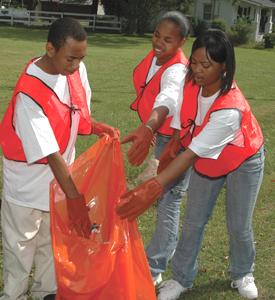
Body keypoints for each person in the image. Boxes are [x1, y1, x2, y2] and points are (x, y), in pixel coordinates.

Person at [116, 29, 264, 300]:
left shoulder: (230, 109)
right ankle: (181, 278)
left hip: (242, 160)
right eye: (194, 62)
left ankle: (243, 272)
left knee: (239, 225)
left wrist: (153, 187)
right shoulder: (190, 80)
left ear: (224, 67)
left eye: (205, 65)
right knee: (194, 221)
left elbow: (190, 156)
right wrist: (174, 138)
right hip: (207, 161)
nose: (196, 70)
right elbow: (182, 110)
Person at [0, 17, 120, 300]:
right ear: (50, 49)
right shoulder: (30, 93)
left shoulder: (74, 69)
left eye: (81, 58)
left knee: (52, 242)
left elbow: (75, 111)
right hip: (27, 185)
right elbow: (51, 155)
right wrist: (75, 199)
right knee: (20, 245)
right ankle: (14, 295)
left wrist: (96, 126)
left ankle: (46, 293)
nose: (76, 66)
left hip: (61, 182)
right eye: (70, 58)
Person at [120, 11, 191, 285]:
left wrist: (149, 127)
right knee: (165, 199)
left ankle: (155, 266)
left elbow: (168, 98)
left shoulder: (176, 69)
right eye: (156, 36)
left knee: (168, 200)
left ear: (181, 43)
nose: (159, 44)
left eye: (168, 40)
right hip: (162, 133)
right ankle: (158, 258)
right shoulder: (157, 57)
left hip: (178, 140)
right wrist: (150, 129)